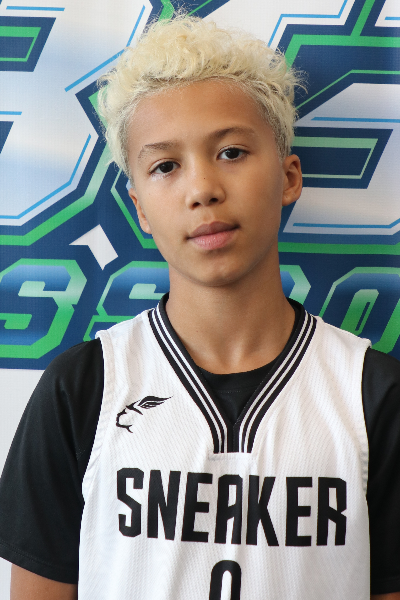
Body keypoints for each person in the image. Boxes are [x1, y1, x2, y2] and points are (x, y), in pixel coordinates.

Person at [0, 14, 400, 600]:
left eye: (232, 152)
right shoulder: (83, 389)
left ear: (289, 175)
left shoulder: (373, 396)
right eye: (166, 166)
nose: (202, 189)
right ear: (140, 208)